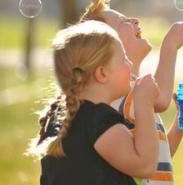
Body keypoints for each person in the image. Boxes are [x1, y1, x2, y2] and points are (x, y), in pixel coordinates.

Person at [34, 0, 183, 185]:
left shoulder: (82, 113)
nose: (135, 21)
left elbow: (155, 154)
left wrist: (179, 126)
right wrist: (170, 45)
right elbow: (145, 162)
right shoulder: (113, 105)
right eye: (122, 57)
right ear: (102, 71)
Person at [33, 20, 160, 185]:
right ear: (102, 73)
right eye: (124, 59)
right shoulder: (99, 120)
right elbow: (145, 166)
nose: (130, 64)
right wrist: (144, 102)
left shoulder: (60, 116)